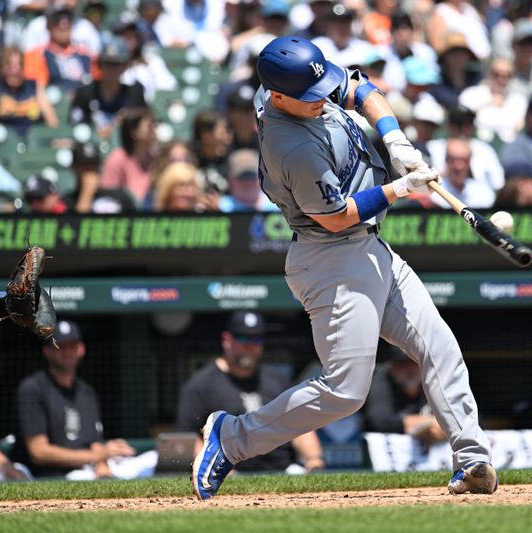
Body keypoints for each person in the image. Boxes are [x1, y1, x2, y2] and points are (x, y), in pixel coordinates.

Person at [191, 36, 497, 500]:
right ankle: (230, 438)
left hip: (372, 249)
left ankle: (471, 458)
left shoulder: (296, 81)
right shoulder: (289, 145)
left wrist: (395, 137)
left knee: (439, 344)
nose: (321, 100)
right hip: (330, 256)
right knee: (345, 391)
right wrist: (400, 188)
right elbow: (336, 216)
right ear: (277, 96)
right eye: (310, 97)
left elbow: (360, 89)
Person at [177, 311, 324, 473]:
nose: (250, 345)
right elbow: (189, 437)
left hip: (283, 470)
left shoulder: (277, 380)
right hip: (230, 472)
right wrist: (217, 470)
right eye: (243, 338)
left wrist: (313, 459)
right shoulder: (202, 385)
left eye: (256, 339)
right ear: (227, 340)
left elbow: (299, 424)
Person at [12, 320, 137, 478]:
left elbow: (95, 444)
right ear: (47, 350)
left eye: (72, 346)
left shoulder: (87, 392)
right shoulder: (33, 389)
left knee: (150, 460)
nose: (67, 351)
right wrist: (100, 456)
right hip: (48, 475)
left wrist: (102, 463)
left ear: (81, 349)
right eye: (60, 346)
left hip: (87, 470)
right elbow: (39, 453)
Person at [68, 37, 147, 140]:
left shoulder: (134, 93)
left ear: (124, 67)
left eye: (117, 64)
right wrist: (104, 131)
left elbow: (145, 124)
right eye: (108, 63)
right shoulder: (85, 92)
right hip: (91, 149)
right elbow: (75, 126)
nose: (112, 69)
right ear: (100, 65)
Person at [363, 347, 445, 444]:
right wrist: (428, 422)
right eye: (403, 364)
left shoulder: (434, 381)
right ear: (391, 366)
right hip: (386, 450)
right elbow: (379, 422)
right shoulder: (381, 379)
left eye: (414, 362)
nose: (410, 369)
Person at [101, 107, 158, 209]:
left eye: (155, 126)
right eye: (150, 126)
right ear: (134, 132)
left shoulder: (157, 160)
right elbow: (108, 197)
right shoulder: (116, 159)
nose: (154, 130)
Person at [0, 46, 58, 137]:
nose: (15, 71)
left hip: (34, 142)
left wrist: (16, 108)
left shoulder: (34, 87)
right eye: (9, 66)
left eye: (19, 65)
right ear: (0, 68)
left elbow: (52, 121)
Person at [430, 136, 496, 209]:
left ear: (470, 161)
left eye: (463, 160)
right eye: (453, 160)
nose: (458, 166)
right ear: (446, 160)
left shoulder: (484, 193)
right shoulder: (432, 192)